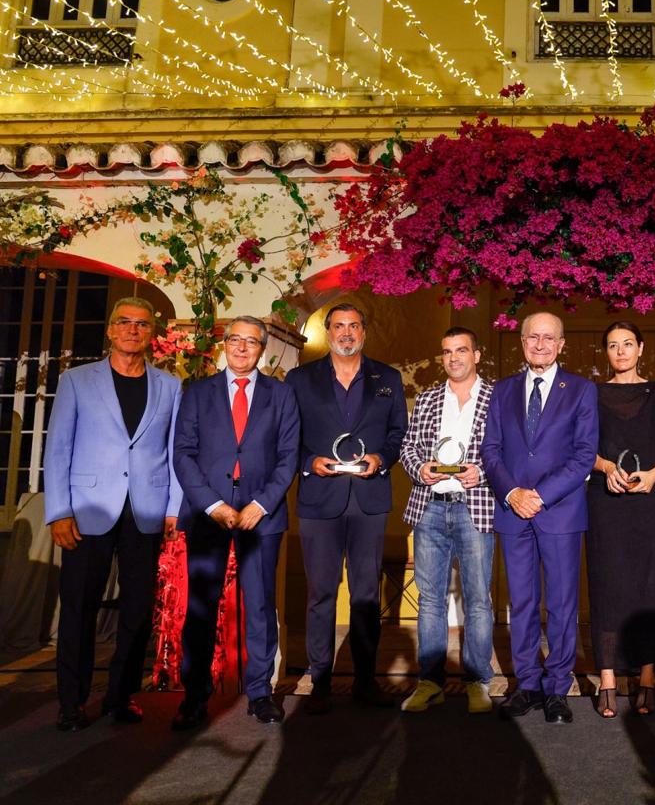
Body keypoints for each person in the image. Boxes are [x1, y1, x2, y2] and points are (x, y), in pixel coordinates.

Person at [43, 297, 182, 731]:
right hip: (88, 510)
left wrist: (175, 507)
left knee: (138, 610)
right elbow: (58, 448)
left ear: (152, 334)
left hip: (147, 510)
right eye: (124, 322)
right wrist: (59, 511)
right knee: (79, 609)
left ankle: (121, 697)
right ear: (109, 329)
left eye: (142, 324)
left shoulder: (170, 386)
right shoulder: (77, 381)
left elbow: (176, 452)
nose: (132, 330)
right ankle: (72, 702)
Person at [171, 317, 300, 730]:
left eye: (251, 342)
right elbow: (183, 453)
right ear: (223, 345)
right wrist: (212, 505)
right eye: (235, 340)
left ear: (262, 349)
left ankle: (260, 692)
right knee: (201, 606)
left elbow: (288, 456)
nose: (242, 348)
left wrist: (260, 504)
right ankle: (195, 698)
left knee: (260, 605)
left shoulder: (281, 395)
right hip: (209, 514)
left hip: (262, 515)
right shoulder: (197, 393)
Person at [285, 303, 408, 714]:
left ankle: (364, 679)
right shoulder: (300, 379)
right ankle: (319, 678)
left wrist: (381, 458)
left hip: (369, 499)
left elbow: (398, 434)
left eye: (354, 325)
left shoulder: (387, 379)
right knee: (321, 593)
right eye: (339, 326)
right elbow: (289, 436)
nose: (347, 333)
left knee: (366, 595)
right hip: (320, 498)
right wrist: (308, 462)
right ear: (329, 331)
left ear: (364, 332)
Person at [481, 312, 598, 724]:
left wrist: (541, 495)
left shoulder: (582, 391)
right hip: (513, 512)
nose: (541, 345)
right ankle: (528, 684)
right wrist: (513, 493)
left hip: (560, 513)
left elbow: (584, 454)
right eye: (534, 337)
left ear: (562, 344)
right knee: (523, 603)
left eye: (550, 339)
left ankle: (556, 689)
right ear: (522, 342)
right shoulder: (502, 391)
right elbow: (490, 450)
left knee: (563, 605)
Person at [586, 321, 655, 718]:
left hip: (650, 501)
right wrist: (607, 467)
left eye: (628, 344)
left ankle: (646, 678)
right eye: (613, 345)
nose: (621, 351)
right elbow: (582, 449)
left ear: (641, 349)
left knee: (650, 585)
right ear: (605, 352)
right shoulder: (591, 393)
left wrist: (653, 477)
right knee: (609, 585)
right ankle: (607, 680)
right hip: (607, 503)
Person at [399, 327, 496, 716]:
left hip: (475, 507)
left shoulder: (496, 398)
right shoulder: (427, 399)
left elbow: (507, 449)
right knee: (430, 601)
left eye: (461, 350)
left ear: (476, 354)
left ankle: (477, 682)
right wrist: (419, 467)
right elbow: (407, 446)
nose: (453, 357)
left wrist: (484, 471)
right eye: (446, 352)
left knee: (477, 600)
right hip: (431, 507)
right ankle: (430, 682)